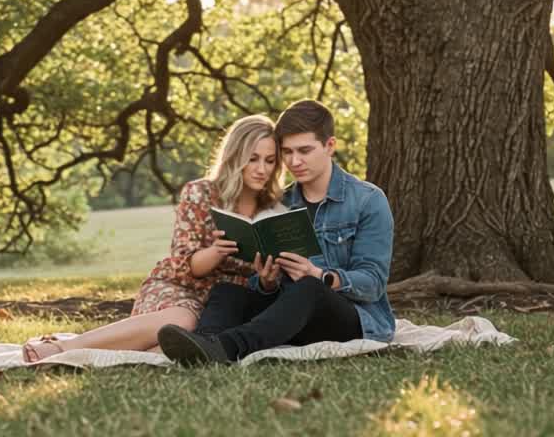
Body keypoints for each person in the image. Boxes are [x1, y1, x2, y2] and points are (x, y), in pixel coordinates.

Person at [22, 114, 284, 362]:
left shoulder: (276, 209)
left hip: (226, 306)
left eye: (270, 160)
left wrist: (267, 280)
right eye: (253, 159)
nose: (262, 169)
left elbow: (269, 285)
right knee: (183, 322)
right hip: (182, 288)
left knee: (185, 341)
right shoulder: (201, 193)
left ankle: (138, 347)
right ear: (235, 156)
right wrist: (216, 251)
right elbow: (184, 264)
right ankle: (62, 348)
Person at [157, 99, 395, 364]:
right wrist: (267, 283)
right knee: (226, 291)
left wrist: (320, 275)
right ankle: (203, 344)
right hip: (294, 317)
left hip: (353, 319)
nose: (295, 161)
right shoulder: (280, 202)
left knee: (309, 287)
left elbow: (373, 283)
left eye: (304, 150)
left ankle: (226, 346)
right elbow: (275, 289)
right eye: (288, 152)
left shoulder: (367, 199)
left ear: (330, 146)